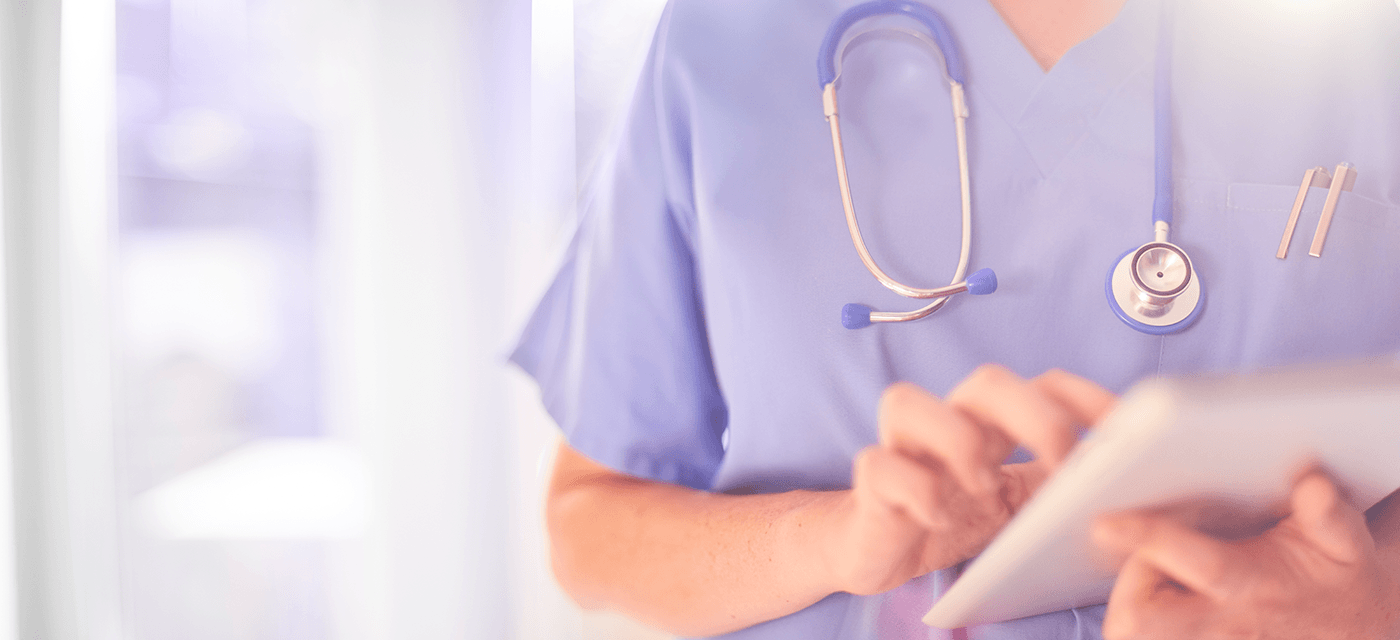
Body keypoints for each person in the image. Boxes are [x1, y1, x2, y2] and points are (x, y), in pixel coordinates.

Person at [509, 0, 1400, 637]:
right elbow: (591, 529)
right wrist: (835, 541)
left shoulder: (1365, 41)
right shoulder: (724, 43)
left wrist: (1380, 602)